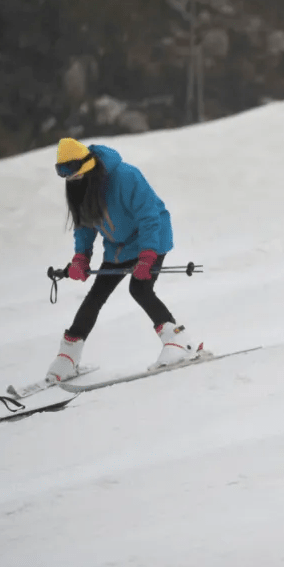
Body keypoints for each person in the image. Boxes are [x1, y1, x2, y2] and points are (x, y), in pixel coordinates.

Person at [46, 138, 200, 383]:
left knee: (139, 288)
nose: (71, 179)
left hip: (152, 237)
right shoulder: (78, 184)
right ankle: (68, 356)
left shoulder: (126, 176)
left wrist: (148, 255)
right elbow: (84, 226)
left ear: (87, 165)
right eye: (65, 174)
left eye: (74, 172)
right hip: (118, 248)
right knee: (96, 295)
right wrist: (81, 258)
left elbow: (149, 216)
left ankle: (179, 342)